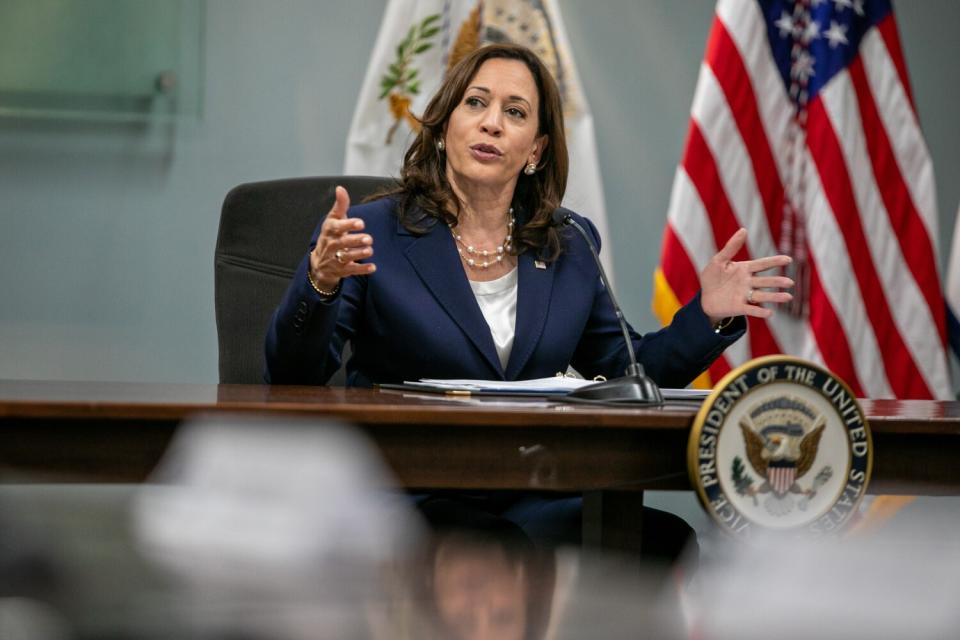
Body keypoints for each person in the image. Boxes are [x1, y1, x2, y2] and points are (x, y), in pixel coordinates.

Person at [264, 43, 793, 551]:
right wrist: (321, 282)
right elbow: (292, 375)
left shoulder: (569, 244)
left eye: (515, 112)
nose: (491, 122)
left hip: (534, 489)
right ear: (446, 126)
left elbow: (628, 373)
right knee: (492, 549)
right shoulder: (370, 230)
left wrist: (706, 316)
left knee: (660, 541)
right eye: (476, 103)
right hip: (415, 491)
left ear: (536, 150)